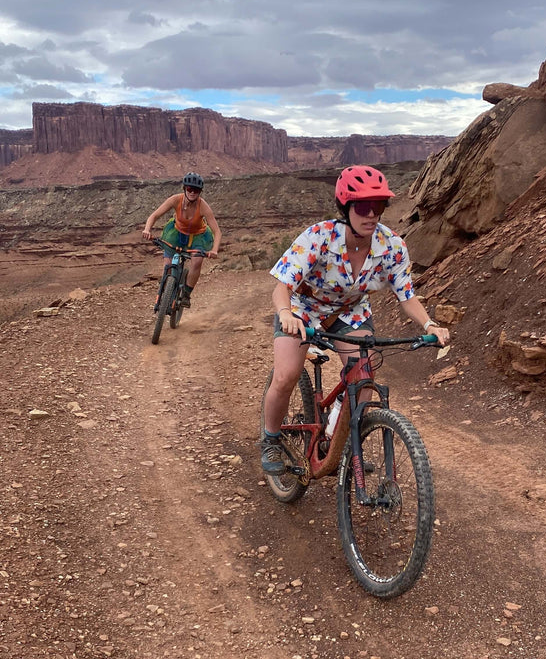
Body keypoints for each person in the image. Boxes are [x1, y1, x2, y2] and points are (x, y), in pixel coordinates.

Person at [260, 164, 450, 474]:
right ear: (346, 208)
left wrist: (429, 324)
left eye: (379, 206)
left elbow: (406, 295)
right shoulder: (319, 237)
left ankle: (340, 441)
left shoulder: (392, 246)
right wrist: (285, 314)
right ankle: (270, 439)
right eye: (363, 206)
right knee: (286, 376)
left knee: (364, 373)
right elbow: (282, 287)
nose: (372, 214)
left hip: (348, 312)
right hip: (302, 308)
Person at [142, 172, 221, 307]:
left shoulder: (203, 206)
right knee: (167, 265)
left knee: (197, 261)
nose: (192, 192)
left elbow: (217, 231)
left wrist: (214, 250)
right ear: (184, 188)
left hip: (198, 236)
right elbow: (154, 215)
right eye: (189, 189)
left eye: (196, 190)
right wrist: (147, 229)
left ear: (200, 192)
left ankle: (186, 294)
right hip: (176, 232)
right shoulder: (175, 200)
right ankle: (166, 290)